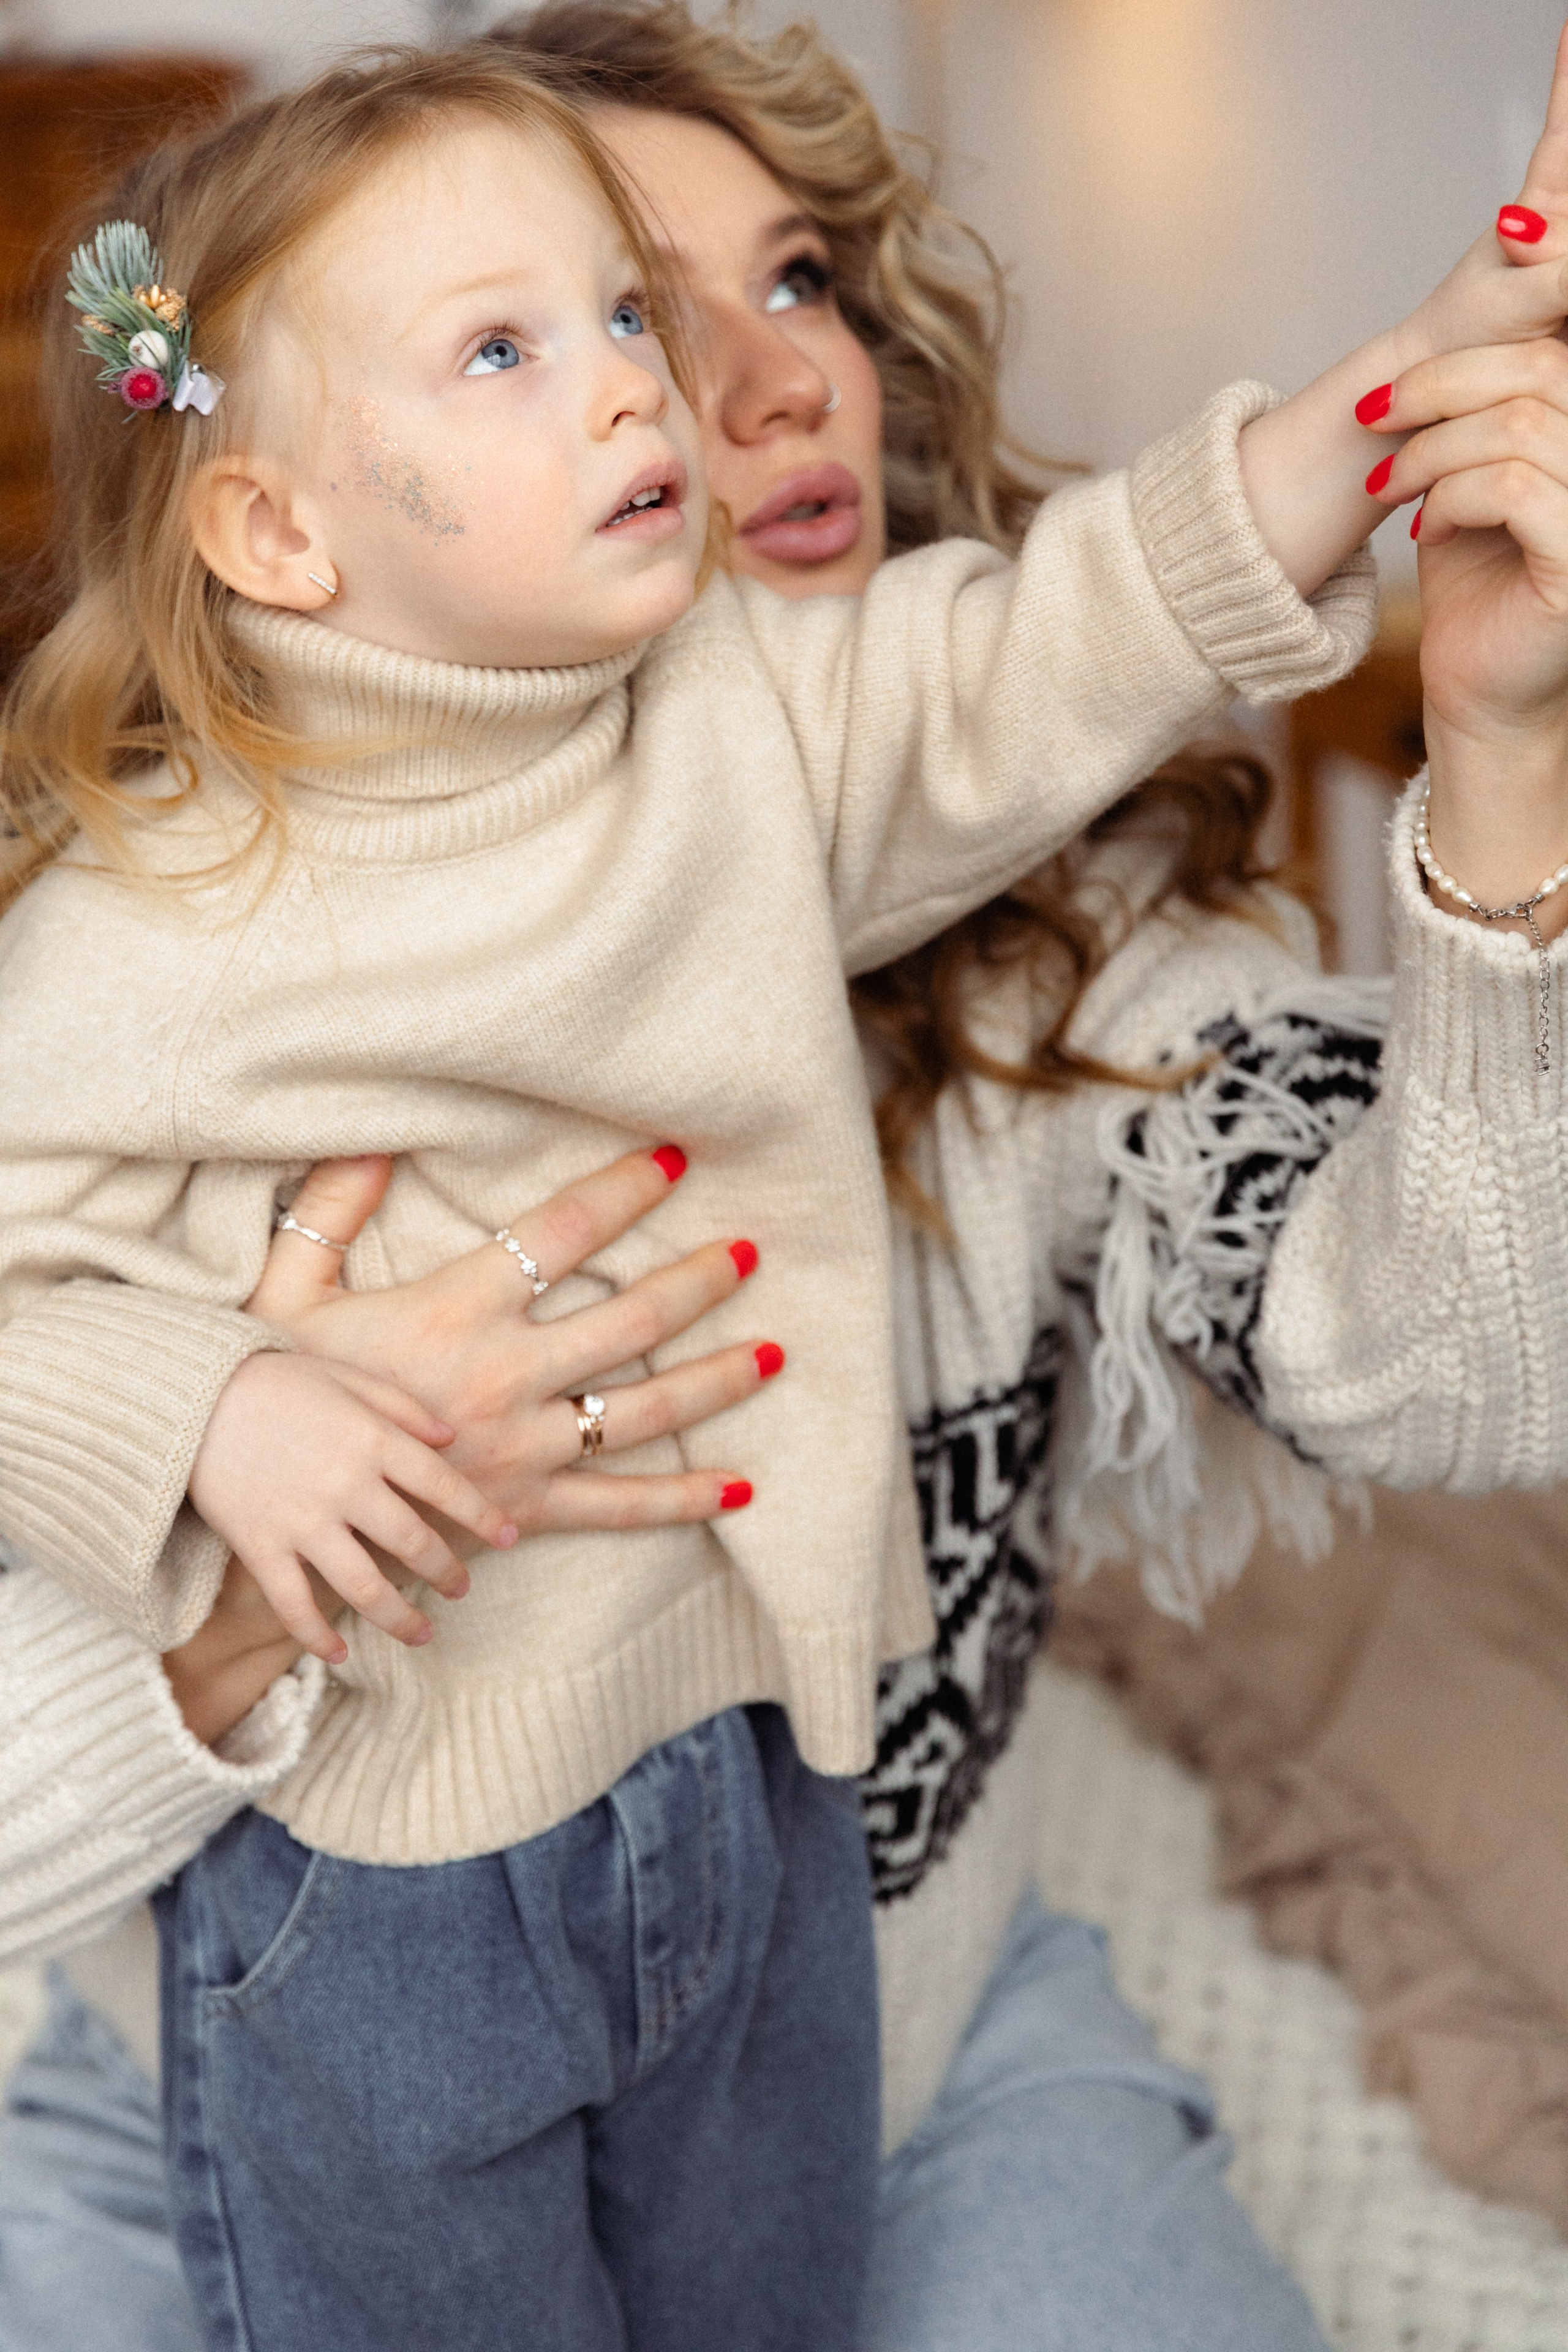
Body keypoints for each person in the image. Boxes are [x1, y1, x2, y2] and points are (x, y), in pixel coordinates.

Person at [6, 8, 1568, 2348]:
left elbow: (1082, 622)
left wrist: (1438, 455)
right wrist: (223, 1446)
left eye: (750, 291)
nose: (687, 384)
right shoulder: (151, 932)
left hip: (804, 1896)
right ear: (277, 522)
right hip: (313, 1952)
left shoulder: (812, 759)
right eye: (528, 338)